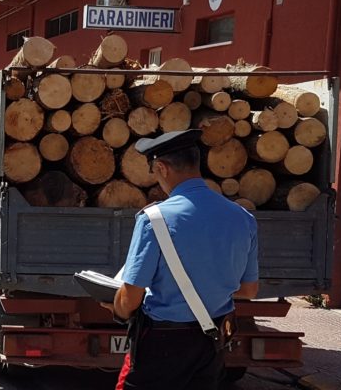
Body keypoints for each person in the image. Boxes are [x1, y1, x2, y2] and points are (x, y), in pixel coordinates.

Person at [103, 129, 259, 390]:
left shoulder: (154, 219)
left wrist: (116, 309)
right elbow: (249, 290)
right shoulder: (243, 217)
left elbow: (130, 298)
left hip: (162, 341)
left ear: (162, 168)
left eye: (154, 172)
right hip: (212, 339)